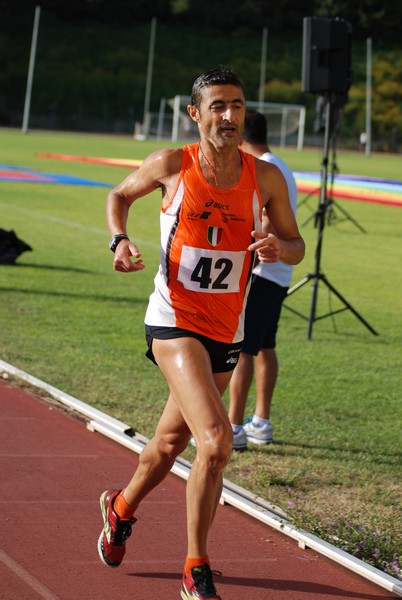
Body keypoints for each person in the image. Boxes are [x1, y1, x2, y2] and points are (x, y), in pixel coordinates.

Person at [98, 67, 305, 600]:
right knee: (215, 441)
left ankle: (120, 509)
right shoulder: (173, 164)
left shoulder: (265, 177)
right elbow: (118, 196)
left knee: (169, 444)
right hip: (173, 320)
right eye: (217, 106)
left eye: (236, 105)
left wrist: (280, 249)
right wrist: (119, 242)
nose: (229, 116)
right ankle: (196, 569)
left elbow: (295, 243)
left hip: (225, 328)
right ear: (196, 113)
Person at [228, 110, 298, 450]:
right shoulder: (281, 164)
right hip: (279, 272)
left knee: (243, 348)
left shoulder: (265, 169)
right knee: (264, 346)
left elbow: (268, 223)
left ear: (241, 139)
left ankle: (234, 426)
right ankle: (261, 421)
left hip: (263, 270)